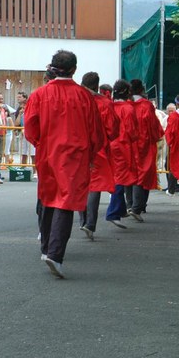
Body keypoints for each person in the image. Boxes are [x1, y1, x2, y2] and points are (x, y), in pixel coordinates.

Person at [24, 50, 103, 278]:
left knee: (48, 197)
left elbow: (30, 128)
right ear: (74, 70)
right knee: (66, 202)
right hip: (75, 156)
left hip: (48, 153)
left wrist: (41, 143)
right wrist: (91, 154)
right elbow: (95, 131)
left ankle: (46, 248)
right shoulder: (84, 96)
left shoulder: (39, 94)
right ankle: (55, 254)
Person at [79, 72, 120, 241]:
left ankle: (83, 220)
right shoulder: (104, 103)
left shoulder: (77, 99)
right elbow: (113, 129)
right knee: (94, 185)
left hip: (77, 148)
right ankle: (89, 223)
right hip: (98, 149)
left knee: (80, 183)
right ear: (97, 86)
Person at [127, 79, 164, 221]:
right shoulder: (146, 105)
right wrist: (156, 137)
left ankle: (130, 204)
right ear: (141, 89)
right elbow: (153, 125)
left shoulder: (126, 104)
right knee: (143, 175)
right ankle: (138, 206)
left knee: (129, 173)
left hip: (129, 143)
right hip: (144, 144)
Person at [106, 80, 138, 229]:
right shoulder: (128, 109)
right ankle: (113, 212)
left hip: (110, 144)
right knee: (121, 178)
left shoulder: (110, 106)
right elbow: (132, 131)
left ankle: (121, 209)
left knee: (116, 176)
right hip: (122, 145)